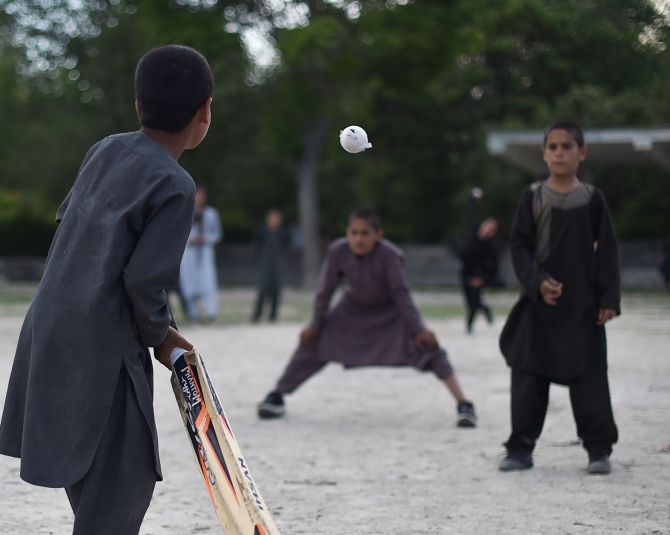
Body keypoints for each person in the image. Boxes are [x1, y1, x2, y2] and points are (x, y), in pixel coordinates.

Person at [0, 45, 212, 535]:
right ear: (206, 113)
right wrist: (163, 339)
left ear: (137, 105)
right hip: (102, 339)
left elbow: (70, 224)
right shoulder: (175, 183)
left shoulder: (105, 150)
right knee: (127, 466)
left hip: (50, 322)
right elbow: (146, 281)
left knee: (90, 460)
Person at [257, 210, 478, 428]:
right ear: (347, 233)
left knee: (429, 348)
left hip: (390, 313)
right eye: (354, 233)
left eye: (365, 233)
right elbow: (325, 291)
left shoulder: (389, 255)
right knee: (312, 342)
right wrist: (315, 324)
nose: (359, 239)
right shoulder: (338, 251)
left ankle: (464, 403)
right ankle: (277, 395)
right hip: (351, 311)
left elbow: (402, 293)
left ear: (378, 235)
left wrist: (419, 328)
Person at [498, 121, 621, 475]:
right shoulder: (533, 197)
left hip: (582, 307)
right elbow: (519, 247)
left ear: (581, 152)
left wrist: (607, 299)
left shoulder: (593, 199)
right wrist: (537, 282)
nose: (559, 153)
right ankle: (520, 449)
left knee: (590, 381)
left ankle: (599, 450)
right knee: (527, 379)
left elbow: (608, 251)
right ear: (543, 153)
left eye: (567, 146)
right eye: (552, 147)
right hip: (538, 307)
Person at [179, 186, 222, 322]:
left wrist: (206, 239)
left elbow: (217, 234)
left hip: (205, 251)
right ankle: (193, 314)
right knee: (190, 283)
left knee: (208, 282)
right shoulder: (184, 211)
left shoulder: (210, 213)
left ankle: (211, 313)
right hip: (189, 251)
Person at [459, 217, 502, 333]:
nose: (487, 230)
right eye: (487, 226)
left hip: (479, 277)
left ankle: (469, 325)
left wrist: (482, 279)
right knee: (470, 301)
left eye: (491, 229)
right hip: (466, 274)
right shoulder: (472, 235)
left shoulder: (491, 247)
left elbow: (493, 268)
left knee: (474, 301)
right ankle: (485, 309)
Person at [252, 208, 288, 322]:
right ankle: (257, 315)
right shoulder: (261, 232)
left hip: (277, 264)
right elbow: (256, 248)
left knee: (276, 290)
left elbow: (285, 249)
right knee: (263, 289)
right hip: (265, 263)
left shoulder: (282, 234)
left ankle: (273, 315)